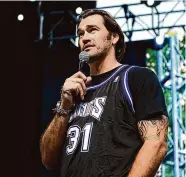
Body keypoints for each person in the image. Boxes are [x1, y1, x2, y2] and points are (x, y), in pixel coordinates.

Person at [40, 9, 169, 177]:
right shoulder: (74, 92)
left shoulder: (136, 78)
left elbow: (156, 144)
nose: (84, 38)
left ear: (114, 37)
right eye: (80, 34)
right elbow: (48, 160)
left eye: (93, 30)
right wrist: (64, 106)